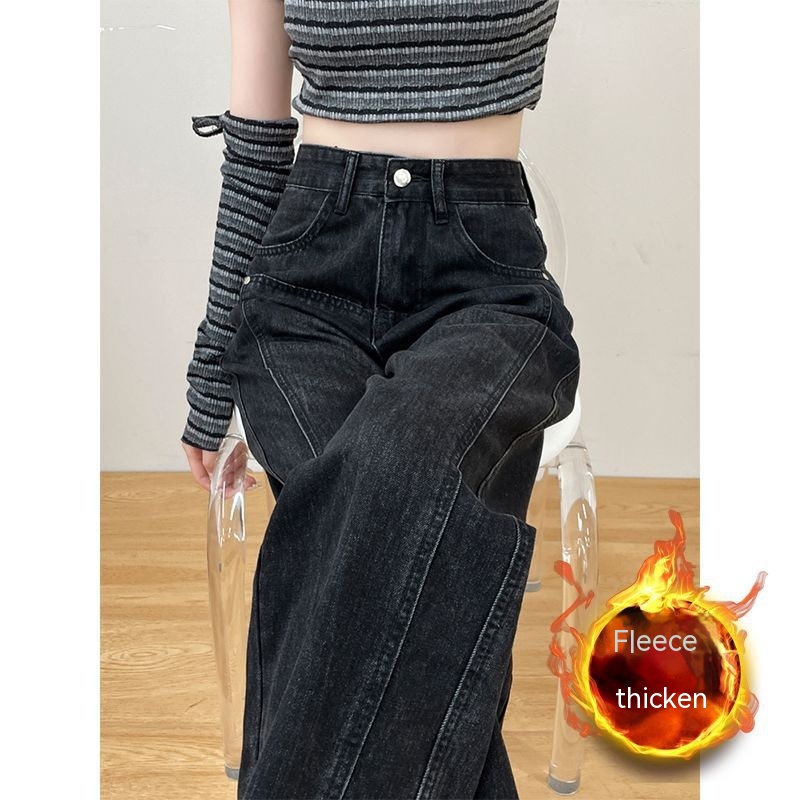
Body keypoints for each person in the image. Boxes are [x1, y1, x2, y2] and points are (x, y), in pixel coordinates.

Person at [180, 2, 579, 798]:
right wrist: (211, 369)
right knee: (381, 528)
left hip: (484, 284)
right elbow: (256, 146)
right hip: (306, 284)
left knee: (382, 481)